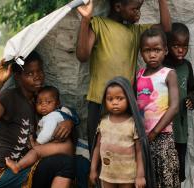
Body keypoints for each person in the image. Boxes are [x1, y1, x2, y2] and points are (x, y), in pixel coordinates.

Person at [75, 0, 171, 150]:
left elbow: (165, 29)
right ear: (118, 6)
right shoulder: (99, 24)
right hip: (99, 101)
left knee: (123, 148)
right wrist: (85, 20)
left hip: (126, 103)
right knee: (97, 149)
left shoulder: (135, 31)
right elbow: (82, 55)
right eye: (135, 9)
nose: (138, 13)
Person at [0, 51, 76, 188]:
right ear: (18, 77)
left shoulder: (40, 103)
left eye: (39, 71)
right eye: (30, 74)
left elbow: (63, 139)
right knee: (64, 164)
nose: (37, 77)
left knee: (71, 159)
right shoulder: (9, 97)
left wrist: (68, 121)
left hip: (21, 169)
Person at [89, 76, 155, 188]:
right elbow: (97, 147)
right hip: (107, 175)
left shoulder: (133, 124)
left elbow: (139, 152)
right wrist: (93, 169)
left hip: (128, 176)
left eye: (120, 98)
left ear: (129, 99)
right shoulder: (103, 122)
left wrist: (140, 176)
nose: (115, 102)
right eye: (110, 99)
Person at [136, 28, 180, 188]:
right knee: (146, 178)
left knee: (164, 177)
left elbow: (174, 107)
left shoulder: (168, 74)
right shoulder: (138, 75)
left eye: (157, 50)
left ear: (165, 50)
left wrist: (154, 132)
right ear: (141, 52)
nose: (152, 54)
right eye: (147, 50)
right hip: (142, 138)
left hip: (162, 137)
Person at [5, 86, 79, 174]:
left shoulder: (52, 116)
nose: (43, 105)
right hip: (63, 147)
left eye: (48, 102)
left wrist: (38, 143)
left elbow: (47, 133)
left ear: (57, 103)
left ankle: (18, 166)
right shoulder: (58, 115)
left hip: (62, 146)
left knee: (36, 152)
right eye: (39, 102)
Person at [163, 22, 194, 183]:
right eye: (176, 45)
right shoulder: (161, 66)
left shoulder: (187, 66)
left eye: (185, 46)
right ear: (167, 46)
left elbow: (190, 90)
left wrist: (191, 100)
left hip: (180, 130)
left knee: (178, 170)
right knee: (162, 168)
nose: (181, 50)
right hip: (163, 128)